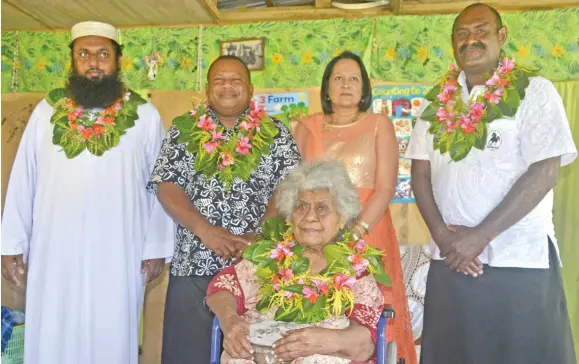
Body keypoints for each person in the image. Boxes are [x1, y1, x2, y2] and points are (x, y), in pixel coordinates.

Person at [407, 3, 577, 363]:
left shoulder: (535, 91)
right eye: (462, 34)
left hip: (519, 260)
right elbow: (419, 173)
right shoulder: (435, 102)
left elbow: (545, 171)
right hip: (451, 261)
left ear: (501, 37)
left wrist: (479, 237)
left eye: (481, 30)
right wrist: (443, 236)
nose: (471, 40)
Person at [1, 21, 174, 364]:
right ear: (73, 61)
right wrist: (11, 244)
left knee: (111, 332)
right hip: (55, 252)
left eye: (102, 54)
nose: (93, 62)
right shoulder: (46, 112)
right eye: (84, 54)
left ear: (117, 61)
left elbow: (162, 186)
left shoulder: (144, 115)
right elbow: (24, 178)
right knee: (53, 332)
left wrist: (156, 246)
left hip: (120, 252)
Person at [148, 55, 301, 364]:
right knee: (188, 355)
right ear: (207, 88)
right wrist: (207, 231)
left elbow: (290, 186)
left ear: (250, 88)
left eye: (236, 80)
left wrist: (258, 236)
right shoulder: (183, 129)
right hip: (194, 263)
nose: (227, 86)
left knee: (249, 355)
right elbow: (167, 187)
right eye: (219, 80)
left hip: (256, 269)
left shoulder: (276, 132)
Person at [291, 51, 417, 364]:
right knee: (320, 311)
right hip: (317, 233)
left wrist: (354, 234)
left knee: (369, 315)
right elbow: (296, 189)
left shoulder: (379, 124)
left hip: (368, 231)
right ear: (326, 88)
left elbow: (386, 188)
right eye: (338, 78)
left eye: (354, 79)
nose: (346, 85)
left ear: (364, 89)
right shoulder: (306, 126)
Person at [206, 160, 389, 364]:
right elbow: (223, 288)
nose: (310, 216)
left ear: (343, 218)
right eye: (301, 207)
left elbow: (365, 343)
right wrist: (230, 319)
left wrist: (325, 340)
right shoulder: (270, 255)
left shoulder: (354, 269)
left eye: (322, 208)